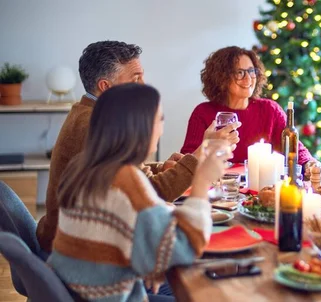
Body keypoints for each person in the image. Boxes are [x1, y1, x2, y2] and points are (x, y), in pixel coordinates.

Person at [47, 83, 231, 301]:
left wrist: (153, 260)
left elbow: (125, 229)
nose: (162, 128)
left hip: (81, 290)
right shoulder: (124, 179)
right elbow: (185, 249)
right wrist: (201, 181)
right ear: (141, 127)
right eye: (160, 119)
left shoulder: (84, 165)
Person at [37, 41, 204, 253]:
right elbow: (152, 195)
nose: (143, 85)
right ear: (105, 86)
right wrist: (199, 159)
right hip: (85, 255)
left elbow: (123, 174)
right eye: (135, 79)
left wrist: (160, 168)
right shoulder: (95, 125)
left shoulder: (88, 112)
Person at [180, 46, 318, 171]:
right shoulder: (203, 113)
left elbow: (296, 148)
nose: (248, 79)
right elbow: (185, 164)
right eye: (239, 73)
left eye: (251, 71)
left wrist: (309, 163)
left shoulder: (270, 110)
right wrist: (207, 147)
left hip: (258, 191)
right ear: (221, 77)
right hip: (217, 189)